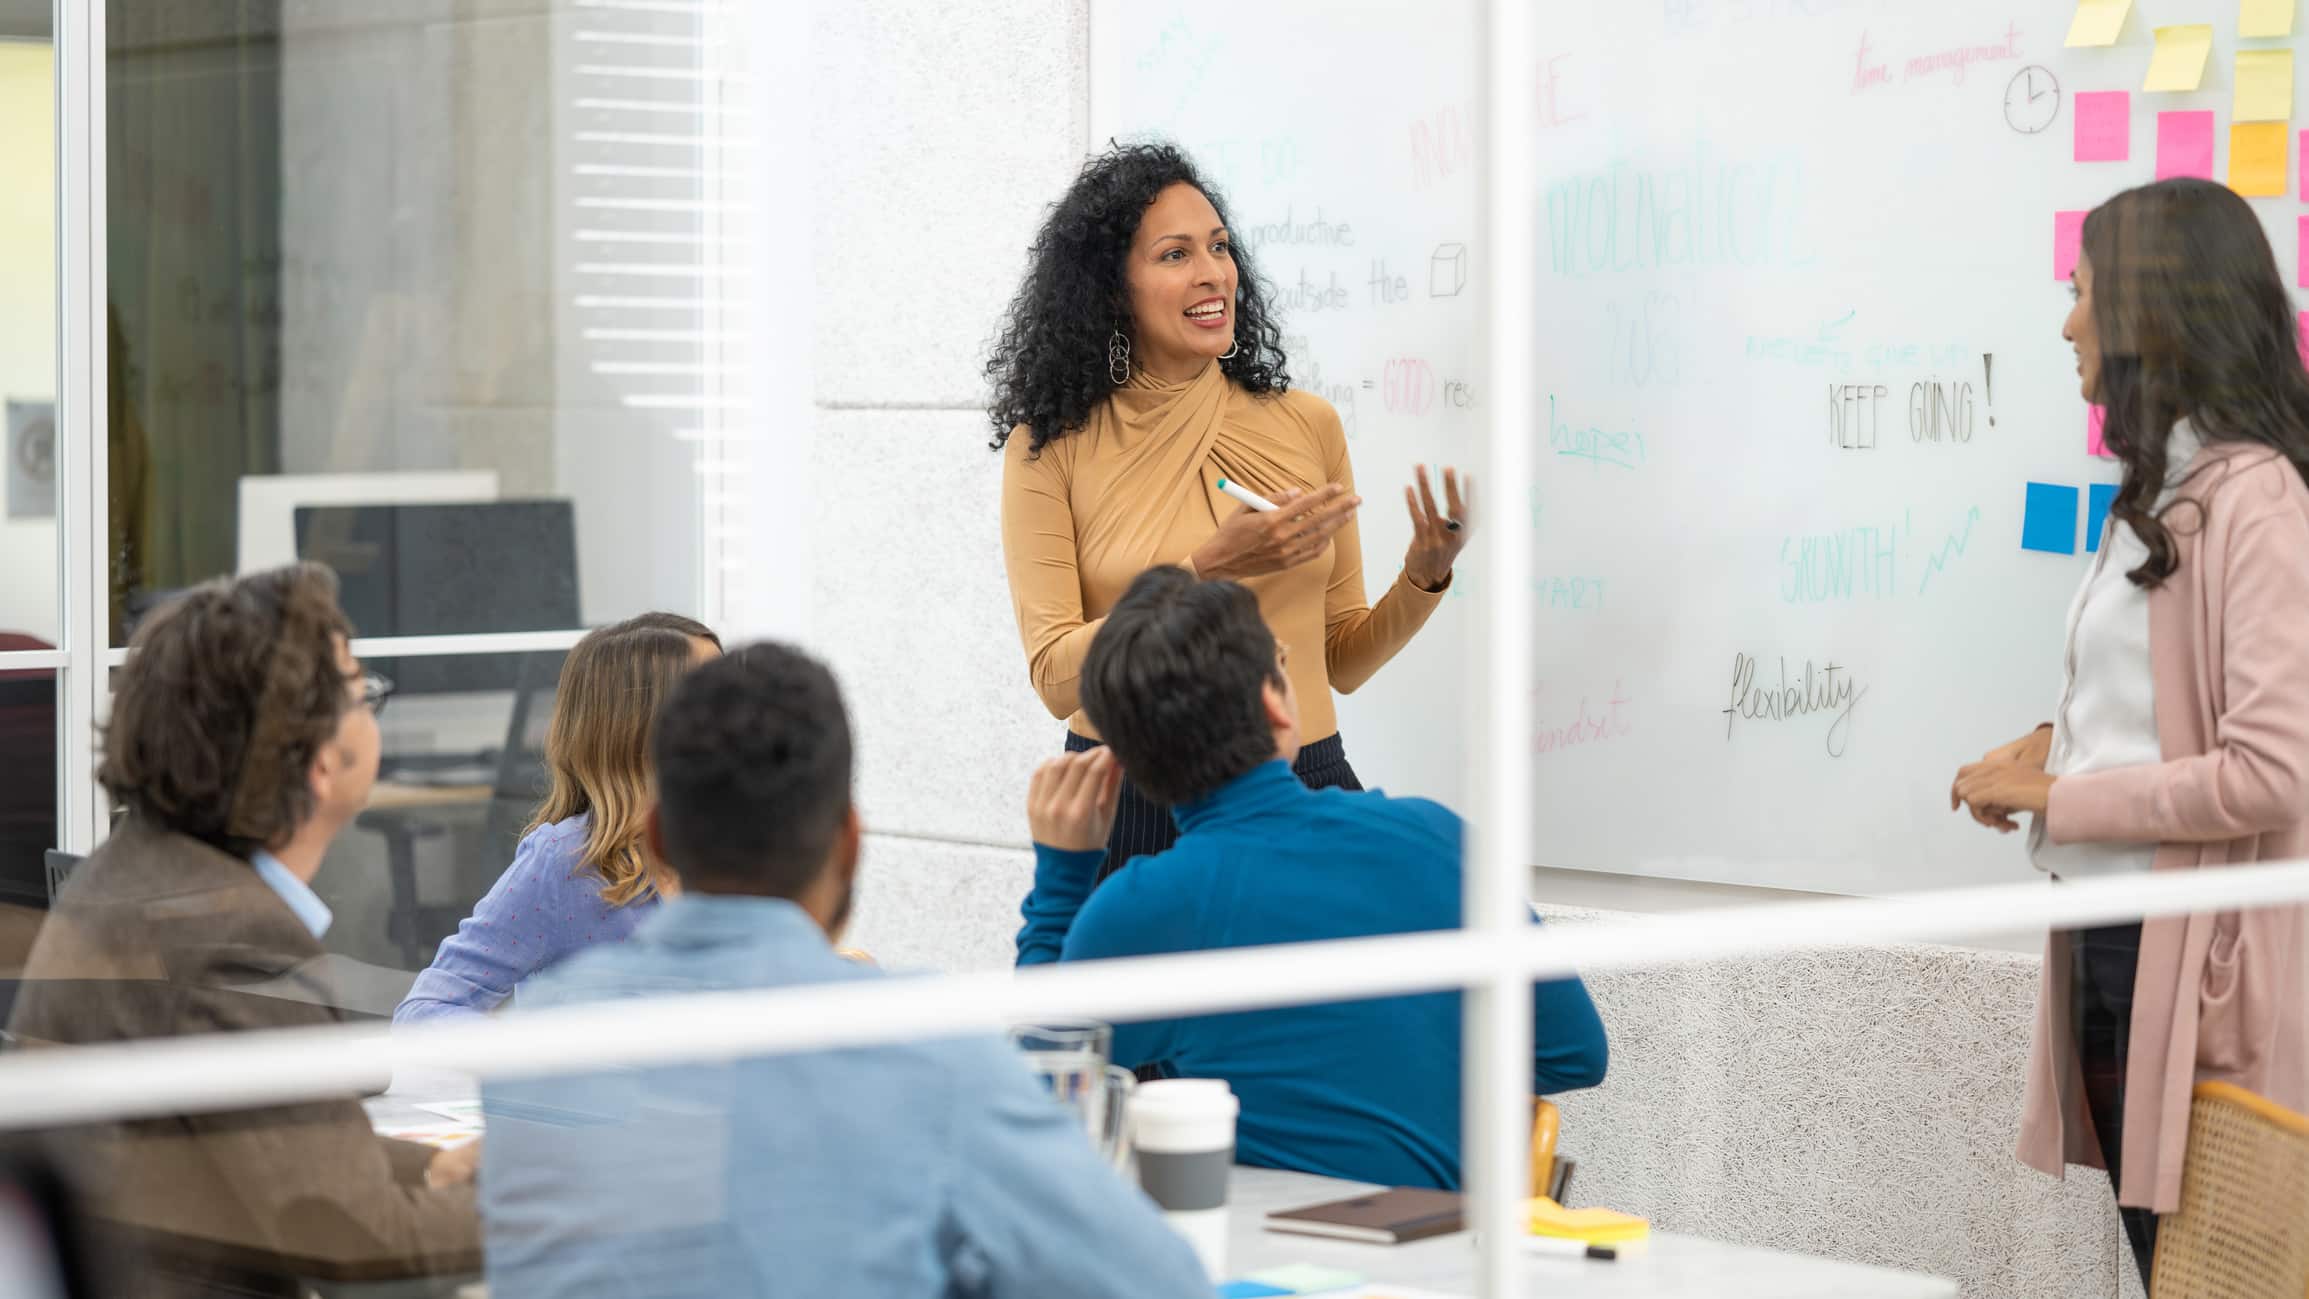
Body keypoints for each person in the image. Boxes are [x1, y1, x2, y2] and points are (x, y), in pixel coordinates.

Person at [479, 643, 1210, 1297]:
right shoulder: (920, 1045)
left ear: (660, 837)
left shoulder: (544, 1037)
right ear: (850, 842)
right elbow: (1155, 1281)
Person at [1949, 177, 2309, 1288]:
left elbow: (2266, 773)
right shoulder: (2161, 488)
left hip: (2190, 969)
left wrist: (2063, 797)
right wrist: (2044, 749)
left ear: (2153, 311)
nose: (2067, 325)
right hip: (2113, 941)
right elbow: (2156, 711)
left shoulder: (2257, 502)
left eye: (2081, 295)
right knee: (2169, 1273)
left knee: (2211, 1277)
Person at [1017, 566, 1608, 1190]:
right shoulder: (1438, 839)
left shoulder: (1143, 909)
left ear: (1125, 757)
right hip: (1448, 1261)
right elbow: (1574, 1052)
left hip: (1252, 1264)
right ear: (1275, 703)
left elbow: (1040, 1097)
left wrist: (1062, 878)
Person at [989, 141, 1472, 875]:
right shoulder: (1048, 448)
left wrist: (1423, 578)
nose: (1213, 272)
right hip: (1128, 802)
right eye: (1174, 254)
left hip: (1300, 784)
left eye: (1218, 246)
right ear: (1110, 287)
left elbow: (1340, 659)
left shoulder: (1306, 423)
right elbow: (1057, 678)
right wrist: (1207, 567)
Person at [7, 563, 480, 1293]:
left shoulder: (130, 873)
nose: (372, 707)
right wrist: (551, 1208)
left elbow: (282, 1153)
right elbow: (355, 1241)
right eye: (363, 693)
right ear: (321, 760)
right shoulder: (229, 935)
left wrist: (436, 1166)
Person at [394, 613, 720, 1025]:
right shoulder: (568, 862)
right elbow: (424, 1012)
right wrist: (536, 1064)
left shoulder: (740, 857)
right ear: (643, 726)